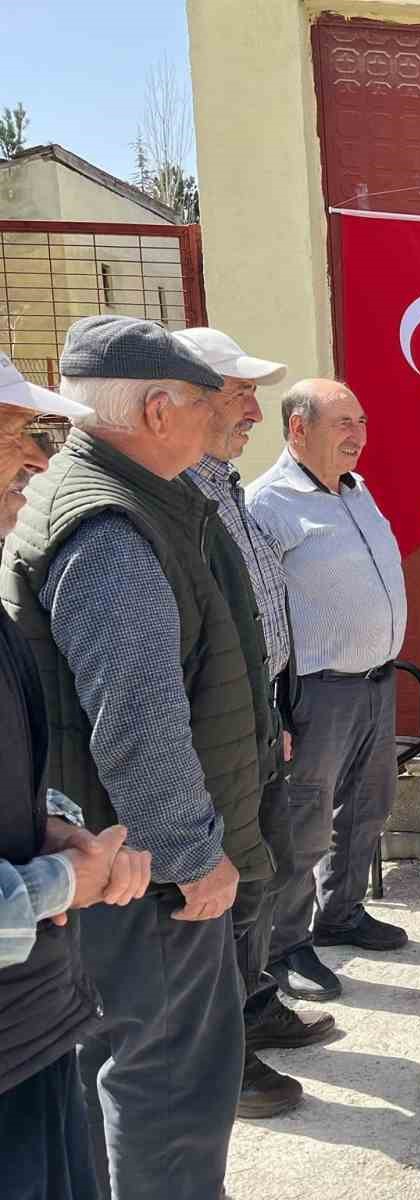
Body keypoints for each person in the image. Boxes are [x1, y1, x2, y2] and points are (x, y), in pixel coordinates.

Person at [1, 315, 271, 1200]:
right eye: (205, 400)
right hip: (145, 874)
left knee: (111, 1073)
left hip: (112, 858)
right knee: (170, 1086)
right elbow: (136, 719)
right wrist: (193, 857)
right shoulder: (112, 527)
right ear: (159, 411)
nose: (222, 415)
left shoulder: (124, 500)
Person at [0, 351, 153, 1200]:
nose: (34, 459)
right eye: (12, 435)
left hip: (30, 1027)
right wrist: (63, 879)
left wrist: (54, 824)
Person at [175, 327, 335, 1119]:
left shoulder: (225, 485)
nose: (252, 412)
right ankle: (224, 1056)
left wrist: (274, 709)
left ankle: (255, 1002)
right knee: (226, 889)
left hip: (257, 716)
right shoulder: (176, 496)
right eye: (239, 394)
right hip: (215, 734)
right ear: (185, 400)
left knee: (262, 870)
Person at [248, 379, 409, 1001]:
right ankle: (286, 947)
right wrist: (274, 707)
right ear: (298, 429)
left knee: (368, 807)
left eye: (361, 421)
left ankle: (341, 913)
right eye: (343, 422)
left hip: (375, 682)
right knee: (302, 823)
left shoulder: (355, 490)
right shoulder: (269, 503)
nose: (358, 435)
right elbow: (258, 614)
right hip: (315, 692)